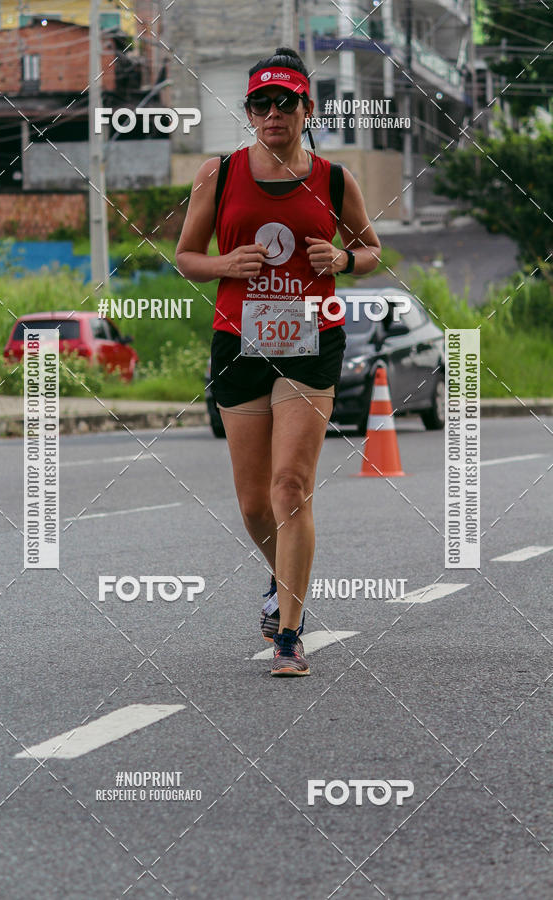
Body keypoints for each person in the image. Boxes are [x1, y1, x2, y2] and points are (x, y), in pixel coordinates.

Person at [176, 47, 381, 676]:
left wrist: (342, 261)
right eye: (259, 104)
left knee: (290, 485)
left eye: (284, 103)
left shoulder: (335, 179)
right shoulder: (221, 173)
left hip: (311, 340)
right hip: (239, 341)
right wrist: (225, 265)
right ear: (249, 112)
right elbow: (186, 256)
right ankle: (279, 579)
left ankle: (289, 634)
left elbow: (371, 248)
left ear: (305, 109)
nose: (271, 114)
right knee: (254, 503)